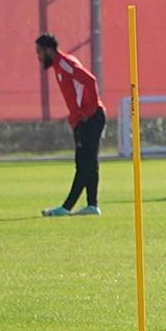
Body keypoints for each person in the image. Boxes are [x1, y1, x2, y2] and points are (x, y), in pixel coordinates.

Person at [35, 33, 106, 217]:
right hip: (83, 120)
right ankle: (92, 205)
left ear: (49, 50)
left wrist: (88, 111)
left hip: (91, 118)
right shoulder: (59, 66)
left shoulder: (64, 63)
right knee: (89, 163)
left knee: (84, 163)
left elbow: (90, 80)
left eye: (39, 52)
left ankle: (66, 208)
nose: (38, 56)